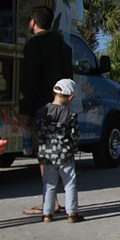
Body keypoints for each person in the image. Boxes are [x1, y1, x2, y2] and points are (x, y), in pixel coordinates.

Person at [20, 5, 73, 215]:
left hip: (41, 107)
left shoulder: (35, 45)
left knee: (44, 156)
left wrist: (24, 110)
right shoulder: (63, 46)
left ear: (33, 21)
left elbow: (30, 80)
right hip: (60, 106)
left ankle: (50, 202)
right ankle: (60, 201)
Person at [36, 78, 83, 222]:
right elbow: (74, 135)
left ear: (54, 92)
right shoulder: (71, 115)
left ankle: (47, 214)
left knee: (49, 184)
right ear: (71, 97)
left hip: (47, 155)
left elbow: (37, 131)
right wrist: (74, 147)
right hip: (65, 154)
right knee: (69, 183)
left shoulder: (42, 111)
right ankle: (72, 213)